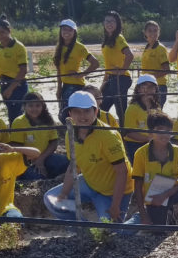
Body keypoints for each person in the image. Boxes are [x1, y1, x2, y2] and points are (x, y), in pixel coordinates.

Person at [43, 91, 133, 222]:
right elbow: (73, 167)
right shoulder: (70, 134)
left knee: (111, 228)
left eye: (86, 111)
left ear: (95, 111)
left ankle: (136, 218)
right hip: (90, 183)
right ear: (70, 114)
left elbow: (122, 171)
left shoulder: (108, 136)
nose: (82, 116)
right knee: (50, 198)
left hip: (112, 192)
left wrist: (115, 205)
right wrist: (63, 194)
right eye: (77, 112)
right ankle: (82, 228)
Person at [131, 111, 178, 225]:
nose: (165, 134)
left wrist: (165, 195)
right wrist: (143, 215)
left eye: (168, 130)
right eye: (160, 130)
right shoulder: (141, 153)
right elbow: (137, 186)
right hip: (153, 198)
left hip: (172, 192)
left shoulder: (177, 151)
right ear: (150, 132)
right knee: (159, 231)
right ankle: (148, 215)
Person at [10, 92, 69, 180]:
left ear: (43, 106)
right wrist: (33, 159)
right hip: (27, 161)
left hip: (46, 157)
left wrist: (41, 159)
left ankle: (52, 176)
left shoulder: (48, 120)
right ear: (24, 106)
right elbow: (16, 146)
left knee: (67, 163)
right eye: (30, 106)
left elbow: (53, 142)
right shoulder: (18, 122)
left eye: (38, 105)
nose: (34, 109)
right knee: (38, 178)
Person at [54, 19, 99, 123]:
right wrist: (59, 88)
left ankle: (74, 132)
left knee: (67, 115)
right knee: (64, 114)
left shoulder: (79, 47)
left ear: (74, 32)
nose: (66, 32)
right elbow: (59, 70)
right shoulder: (59, 47)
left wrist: (81, 75)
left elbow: (95, 63)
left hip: (75, 85)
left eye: (69, 30)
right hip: (65, 85)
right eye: (64, 29)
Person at [100, 11, 133, 125]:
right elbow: (107, 64)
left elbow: (130, 55)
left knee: (121, 110)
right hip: (110, 78)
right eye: (107, 21)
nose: (109, 24)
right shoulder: (107, 40)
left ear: (117, 23)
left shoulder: (119, 38)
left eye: (112, 21)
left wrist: (122, 71)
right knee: (102, 107)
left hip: (121, 79)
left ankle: (125, 132)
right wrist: (104, 82)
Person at [0, 15, 28, 124]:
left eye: (2, 32)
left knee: (17, 115)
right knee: (11, 112)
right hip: (3, 82)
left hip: (16, 85)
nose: (0, 35)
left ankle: (17, 133)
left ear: (9, 31)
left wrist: (10, 89)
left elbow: (23, 71)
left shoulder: (18, 47)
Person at [123, 75, 161, 163]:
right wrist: (148, 139)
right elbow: (129, 133)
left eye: (151, 87)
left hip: (153, 143)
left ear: (155, 89)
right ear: (138, 89)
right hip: (135, 145)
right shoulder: (132, 108)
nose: (148, 89)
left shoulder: (157, 107)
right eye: (144, 86)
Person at [141, 21, 170, 108]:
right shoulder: (147, 48)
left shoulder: (160, 48)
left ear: (159, 32)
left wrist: (150, 79)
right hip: (146, 87)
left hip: (158, 86)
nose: (153, 33)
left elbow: (166, 69)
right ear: (145, 33)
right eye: (150, 30)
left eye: (155, 30)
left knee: (156, 112)